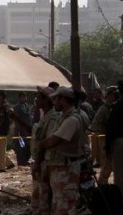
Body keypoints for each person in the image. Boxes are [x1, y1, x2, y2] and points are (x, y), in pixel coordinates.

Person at [39, 86, 90, 214]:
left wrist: (40, 144)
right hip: (61, 168)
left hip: (67, 169)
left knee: (65, 207)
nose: (54, 102)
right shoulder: (65, 117)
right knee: (58, 205)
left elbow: (54, 141)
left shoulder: (72, 120)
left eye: (56, 99)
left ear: (63, 99)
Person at [30, 86, 60, 215]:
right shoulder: (45, 117)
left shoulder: (53, 118)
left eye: (38, 97)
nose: (35, 100)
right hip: (42, 160)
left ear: (46, 101)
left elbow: (46, 143)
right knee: (42, 193)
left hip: (47, 161)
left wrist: (37, 163)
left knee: (45, 194)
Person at [95, 86, 118, 184]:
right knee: (107, 166)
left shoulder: (114, 107)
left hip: (113, 140)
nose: (115, 97)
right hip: (105, 139)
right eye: (113, 95)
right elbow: (96, 124)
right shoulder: (104, 109)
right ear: (108, 96)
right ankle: (102, 187)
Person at [105, 80, 123, 197]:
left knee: (120, 176)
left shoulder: (118, 107)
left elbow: (111, 129)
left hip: (120, 143)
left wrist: (107, 148)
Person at [0, 90, 15, 172]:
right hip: (6, 129)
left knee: (0, 149)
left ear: (1, 96)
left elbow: (1, 119)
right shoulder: (8, 105)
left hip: (1, 129)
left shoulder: (3, 105)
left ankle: (1, 167)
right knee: (2, 148)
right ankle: (8, 163)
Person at [12, 92, 32, 166]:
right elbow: (16, 119)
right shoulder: (17, 107)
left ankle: (26, 160)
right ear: (19, 98)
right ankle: (21, 162)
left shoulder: (26, 106)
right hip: (20, 130)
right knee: (21, 146)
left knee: (28, 146)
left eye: (25, 97)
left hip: (27, 129)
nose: (24, 99)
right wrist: (18, 131)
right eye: (23, 97)